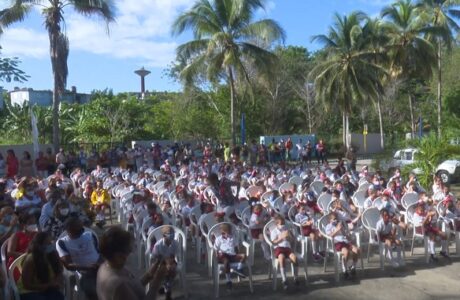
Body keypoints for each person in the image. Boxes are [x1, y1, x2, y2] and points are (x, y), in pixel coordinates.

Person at [97, 226, 165, 300]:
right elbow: (125, 289)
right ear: (119, 256)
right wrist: (157, 281)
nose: (132, 252)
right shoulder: (118, 285)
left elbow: (133, 287)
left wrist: (149, 275)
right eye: (129, 250)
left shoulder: (109, 266)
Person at [56, 217, 101, 300]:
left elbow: (99, 252)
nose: (81, 230)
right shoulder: (62, 243)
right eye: (77, 228)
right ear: (69, 230)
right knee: (92, 290)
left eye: (81, 228)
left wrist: (101, 264)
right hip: (82, 272)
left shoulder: (90, 235)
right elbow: (68, 265)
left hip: (99, 266)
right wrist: (87, 268)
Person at [18, 232, 64, 300]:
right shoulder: (31, 259)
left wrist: (56, 282)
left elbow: (59, 271)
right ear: (39, 245)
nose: (51, 245)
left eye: (51, 242)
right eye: (48, 243)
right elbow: (27, 285)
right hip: (30, 291)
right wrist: (48, 285)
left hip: (48, 288)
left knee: (59, 297)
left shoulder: (53, 255)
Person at [325, 212, 360, 279]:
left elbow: (345, 234)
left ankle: (353, 267)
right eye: (334, 219)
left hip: (345, 241)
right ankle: (344, 269)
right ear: (330, 220)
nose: (336, 220)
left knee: (357, 250)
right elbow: (330, 236)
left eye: (336, 218)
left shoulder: (340, 225)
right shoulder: (328, 226)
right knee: (346, 252)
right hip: (337, 242)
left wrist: (345, 233)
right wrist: (337, 230)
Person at [213, 223, 246, 290]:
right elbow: (215, 249)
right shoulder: (219, 239)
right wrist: (216, 257)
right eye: (226, 232)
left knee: (244, 255)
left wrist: (238, 255)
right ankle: (228, 280)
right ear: (222, 232)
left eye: (229, 231)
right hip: (223, 255)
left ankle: (239, 269)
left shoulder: (233, 238)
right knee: (226, 261)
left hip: (232, 255)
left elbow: (236, 247)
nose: (228, 233)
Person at [151, 226, 181, 299]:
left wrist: (171, 263)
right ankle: (167, 290)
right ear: (164, 235)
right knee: (166, 271)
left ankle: (166, 289)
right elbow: (154, 257)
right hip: (160, 261)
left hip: (171, 261)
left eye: (173, 233)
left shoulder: (175, 243)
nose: (172, 235)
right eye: (169, 233)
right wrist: (165, 262)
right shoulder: (158, 245)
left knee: (171, 270)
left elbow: (176, 255)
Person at [270, 214, 298, 290]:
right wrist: (281, 238)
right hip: (279, 248)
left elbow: (292, 240)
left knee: (294, 258)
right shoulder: (274, 231)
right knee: (281, 258)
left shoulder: (287, 230)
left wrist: (289, 237)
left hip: (287, 248)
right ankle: (284, 279)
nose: (282, 225)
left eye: (283, 223)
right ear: (277, 224)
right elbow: (273, 242)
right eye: (281, 224)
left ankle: (296, 278)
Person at [7, 214, 38, 280]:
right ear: (22, 224)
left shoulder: (37, 234)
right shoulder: (16, 235)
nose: (33, 225)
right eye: (30, 223)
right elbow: (10, 252)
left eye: (34, 222)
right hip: (17, 261)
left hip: (34, 259)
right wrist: (25, 255)